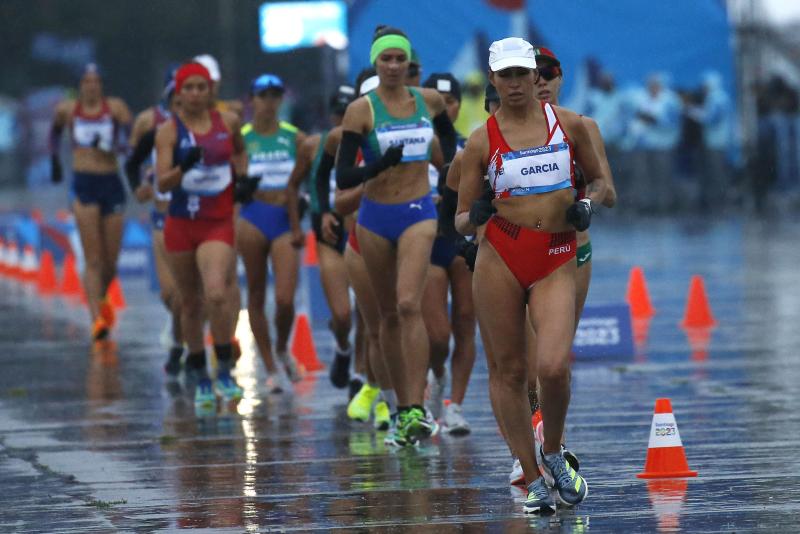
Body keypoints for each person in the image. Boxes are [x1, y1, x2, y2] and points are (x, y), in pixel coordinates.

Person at [455, 38, 605, 513]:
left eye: (524, 74)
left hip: (556, 256)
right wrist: (475, 210)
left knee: (554, 367)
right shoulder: (482, 139)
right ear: (494, 79)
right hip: (500, 257)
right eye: (507, 75)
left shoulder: (572, 126)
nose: (517, 84)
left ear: (534, 76)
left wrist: (586, 204)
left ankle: (554, 451)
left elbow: (605, 186)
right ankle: (532, 474)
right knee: (509, 371)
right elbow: (460, 218)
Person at [336, 25, 458, 446]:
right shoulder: (361, 110)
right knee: (386, 315)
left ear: (408, 64)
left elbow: (448, 140)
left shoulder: (429, 101)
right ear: (375, 63)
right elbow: (342, 175)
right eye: (385, 59)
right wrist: (376, 166)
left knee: (409, 304)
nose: (392, 66)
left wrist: (447, 176)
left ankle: (417, 407)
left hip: (418, 212)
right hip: (373, 217)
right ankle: (397, 404)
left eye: (399, 59)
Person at [154, 62, 248, 408]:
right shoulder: (168, 131)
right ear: (179, 93)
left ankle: (223, 367)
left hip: (217, 221)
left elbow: (239, 150)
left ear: (211, 91)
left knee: (217, 293)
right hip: (181, 223)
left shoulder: (229, 123)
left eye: (201, 87)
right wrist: (184, 167)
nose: (195, 93)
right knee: (189, 302)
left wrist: (242, 180)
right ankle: (198, 371)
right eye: (188, 87)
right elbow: (162, 182)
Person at [50, 63, 132, 342]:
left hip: (111, 183)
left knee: (111, 262)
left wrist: (112, 148)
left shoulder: (116, 108)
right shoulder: (67, 109)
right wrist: (54, 163)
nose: (91, 86)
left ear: (102, 85)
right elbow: (55, 133)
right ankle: (96, 319)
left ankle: (102, 298)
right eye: (86, 81)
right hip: (84, 184)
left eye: (96, 81)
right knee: (94, 258)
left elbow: (132, 144)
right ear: (79, 85)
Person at [238, 74, 307, 391]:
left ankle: (281, 347)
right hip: (253, 216)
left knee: (284, 298)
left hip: (283, 217)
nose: (268, 101)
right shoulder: (242, 137)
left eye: (274, 94)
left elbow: (311, 176)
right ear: (251, 99)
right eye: (262, 94)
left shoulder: (295, 137)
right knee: (255, 293)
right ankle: (269, 365)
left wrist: (306, 202)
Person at [420, 72, 475, 434]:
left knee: (466, 324)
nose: (445, 107)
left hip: (462, 244)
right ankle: (436, 374)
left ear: (457, 105)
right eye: (436, 102)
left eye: (451, 101)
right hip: (428, 244)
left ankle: (454, 406)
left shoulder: (473, 146)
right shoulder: (415, 148)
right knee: (438, 335)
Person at [294, 84, 358, 392]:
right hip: (330, 236)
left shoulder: (370, 141)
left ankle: (363, 379)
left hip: (365, 232)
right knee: (343, 315)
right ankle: (343, 349)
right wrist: (313, 215)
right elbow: (298, 184)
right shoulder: (314, 145)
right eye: (338, 113)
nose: (343, 119)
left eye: (348, 112)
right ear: (330, 115)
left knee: (374, 317)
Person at [124, 66, 185, 376]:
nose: (183, 98)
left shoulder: (204, 124)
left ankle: (188, 345)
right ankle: (178, 332)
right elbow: (133, 160)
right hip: (162, 212)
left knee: (196, 291)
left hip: (195, 214)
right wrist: (140, 188)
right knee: (170, 294)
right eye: (177, 93)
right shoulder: (149, 123)